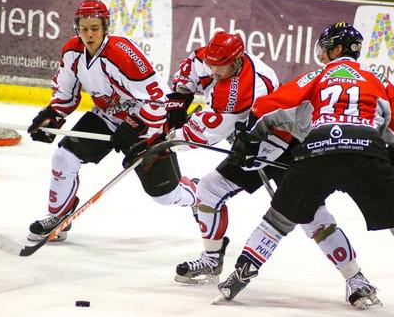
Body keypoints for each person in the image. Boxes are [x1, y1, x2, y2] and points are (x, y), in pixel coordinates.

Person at [216, 22, 394, 316]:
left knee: (277, 221)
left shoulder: (318, 76)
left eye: (326, 48)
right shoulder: (377, 79)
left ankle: (237, 278)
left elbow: (269, 106)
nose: (322, 54)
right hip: (367, 152)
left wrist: (248, 141)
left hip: (316, 152)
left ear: (338, 49)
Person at [148, 30, 380, 309]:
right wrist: (178, 101)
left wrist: (163, 141)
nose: (215, 71)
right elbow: (187, 71)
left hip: (286, 145)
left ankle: (356, 279)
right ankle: (211, 260)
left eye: (221, 66)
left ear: (237, 61)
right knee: (208, 189)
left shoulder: (245, 89)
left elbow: (201, 135)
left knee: (312, 216)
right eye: (211, 64)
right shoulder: (213, 58)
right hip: (248, 143)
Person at [26, 0, 197, 242]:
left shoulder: (123, 53)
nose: (89, 34)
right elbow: (65, 93)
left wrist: (135, 124)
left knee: (164, 195)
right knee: (63, 157)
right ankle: (59, 218)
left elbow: (161, 101)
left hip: (146, 123)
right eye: (84, 28)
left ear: (106, 27)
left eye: (94, 27)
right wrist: (52, 116)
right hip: (107, 116)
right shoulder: (73, 51)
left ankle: (197, 194)